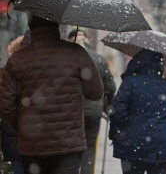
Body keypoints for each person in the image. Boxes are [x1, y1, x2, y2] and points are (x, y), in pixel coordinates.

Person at [0, 15, 104, 174]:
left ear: (30, 26)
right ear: (56, 25)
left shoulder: (17, 60)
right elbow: (96, 93)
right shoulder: (76, 53)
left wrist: (23, 129)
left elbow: (5, 106)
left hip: (33, 147)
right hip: (68, 144)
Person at [109, 49, 166, 174]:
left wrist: (115, 133)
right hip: (161, 144)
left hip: (133, 143)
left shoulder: (130, 83)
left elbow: (117, 112)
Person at [67, 29, 116, 174]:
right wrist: (106, 105)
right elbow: (110, 87)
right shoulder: (99, 59)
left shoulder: (66, 59)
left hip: (71, 112)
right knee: (89, 150)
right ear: (87, 40)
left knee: (70, 149)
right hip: (93, 112)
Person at [0, 31, 30, 174]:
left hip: (16, 140)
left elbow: (5, 106)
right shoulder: (48, 71)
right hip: (43, 142)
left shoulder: (7, 70)